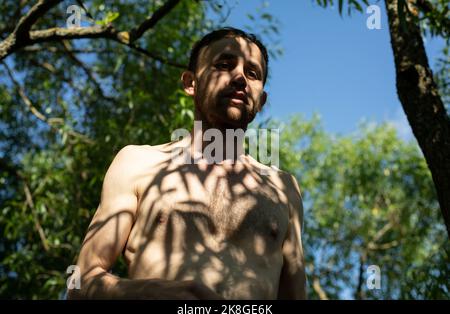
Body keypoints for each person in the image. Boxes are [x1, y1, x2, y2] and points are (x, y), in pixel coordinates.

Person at [67, 27, 306, 300]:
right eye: (224, 65)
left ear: (261, 101)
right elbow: (80, 285)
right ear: (191, 83)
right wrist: (155, 291)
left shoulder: (283, 188)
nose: (240, 76)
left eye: (253, 73)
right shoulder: (138, 163)